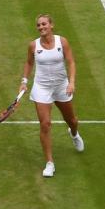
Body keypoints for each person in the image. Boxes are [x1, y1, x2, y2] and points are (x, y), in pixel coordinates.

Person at [18, 13, 84, 178]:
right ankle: (49, 163)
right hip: (42, 88)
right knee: (45, 124)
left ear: (51, 25)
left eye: (44, 24)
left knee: (72, 120)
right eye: (39, 25)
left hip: (61, 86)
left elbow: (71, 62)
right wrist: (24, 81)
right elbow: (28, 62)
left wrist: (72, 82)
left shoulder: (62, 42)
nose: (41, 27)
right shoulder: (33, 46)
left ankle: (74, 134)